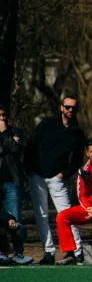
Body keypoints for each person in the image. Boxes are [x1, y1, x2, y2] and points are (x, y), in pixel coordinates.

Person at [24, 96, 86, 265]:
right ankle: (49, 252)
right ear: (61, 108)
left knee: (67, 214)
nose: (70, 110)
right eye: (67, 107)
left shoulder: (77, 133)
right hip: (37, 176)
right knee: (41, 215)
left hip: (57, 179)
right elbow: (31, 145)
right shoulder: (47, 124)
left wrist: (63, 174)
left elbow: (77, 161)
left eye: (73, 107)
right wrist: (29, 169)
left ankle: (77, 251)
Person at [0, 104, 31, 264]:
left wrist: (4, 133)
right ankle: (2, 252)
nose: (2, 118)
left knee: (15, 220)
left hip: (12, 182)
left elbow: (15, 149)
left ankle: (18, 253)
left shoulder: (15, 132)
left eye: (4, 115)